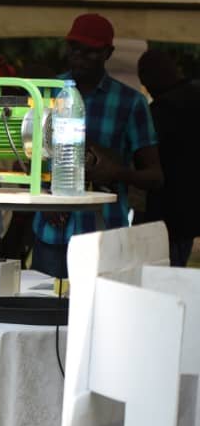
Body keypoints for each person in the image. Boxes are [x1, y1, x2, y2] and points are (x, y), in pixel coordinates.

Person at [32, 14, 162, 278]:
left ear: (107, 53)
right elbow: (27, 159)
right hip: (53, 231)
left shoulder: (130, 102)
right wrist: (42, 195)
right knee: (45, 312)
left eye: (89, 51)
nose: (78, 56)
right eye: (74, 48)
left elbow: (155, 176)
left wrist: (117, 172)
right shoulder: (48, 93)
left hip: (105, 235)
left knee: (103, 315)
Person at [137, 49, 200, 266]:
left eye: (144, 76)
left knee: (159, 278)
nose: (144, 83)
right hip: (187, 212)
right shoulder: (192, 94)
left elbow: (142, 159)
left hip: (167, 211)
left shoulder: (162, 110)